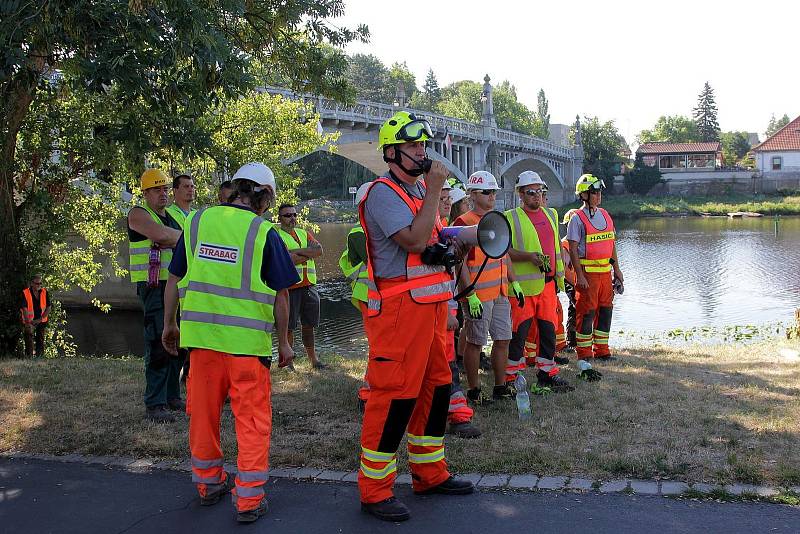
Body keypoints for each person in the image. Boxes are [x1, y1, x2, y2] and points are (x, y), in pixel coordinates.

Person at [162, 162, 297, 525]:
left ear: (235, 188)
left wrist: (169, 324)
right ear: (265, 197)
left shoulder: (196, 223)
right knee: (251, 422)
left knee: (202, 416)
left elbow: (175, 278)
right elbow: (281, 295)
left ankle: (208, 485)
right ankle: (249, 501)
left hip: (201, 346)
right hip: (246, 348)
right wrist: (283, 343)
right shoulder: (264, 232)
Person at [358, 111, 474, 522]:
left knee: (436, 389)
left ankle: (430, 473)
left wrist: (463, 238)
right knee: (394, 398)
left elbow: (433, 240)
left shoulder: (417, 193)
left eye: (424, 145)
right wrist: (436, 188)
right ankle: (374, 489)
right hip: (398, 314)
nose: (421, 153)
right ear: (391, 152)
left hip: (431, 310)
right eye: (412, 146)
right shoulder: (383, 192)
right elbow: (413, 239)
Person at [505, 171, 574, 393]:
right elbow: (503, 251)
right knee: (518, 335)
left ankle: (547, 374)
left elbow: (555, 246)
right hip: (522, 289)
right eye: (531, 192)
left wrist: (559, 275)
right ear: (520, 194)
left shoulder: (551, 215)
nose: (536, 196)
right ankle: (510, 378)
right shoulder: (510, 218)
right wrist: (528, 257)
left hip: (548, 285)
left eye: (540, 192)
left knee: (548, 332)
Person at [127, 168, 184, 422]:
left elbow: (174, 238)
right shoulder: (138, 214)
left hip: (176, 287)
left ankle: (172, 396)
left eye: (164, 189)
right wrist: (175, 238)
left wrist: (174, 239)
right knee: (159, 342)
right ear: (146, 192)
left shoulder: (172, 216)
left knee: (178, 342)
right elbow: (161, 235)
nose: (162, 194)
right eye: (156, 189)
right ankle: (155, 404)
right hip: (153, 288)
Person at [454, 171, 516, 403]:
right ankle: (474, 390)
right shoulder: (463, 223)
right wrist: (469, 295)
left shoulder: (498, 220)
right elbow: (459, 265)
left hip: (500, 292)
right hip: (478, 296)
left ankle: (500, 387)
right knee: (475, 342)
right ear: (472, 194)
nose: (492, 196)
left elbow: (505, 255)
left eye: (494, 192)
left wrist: (514, 282)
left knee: (503, 339)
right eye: (487, 192)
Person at [437, 180, 481, 438]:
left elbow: (455, 268)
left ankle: (457, 415)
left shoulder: (443, 230)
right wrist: (444, 310)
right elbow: (425, 278)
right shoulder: (427, 233)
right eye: (442, 197)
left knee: (447, 365)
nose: (447, 201)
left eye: (448, 197)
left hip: (446, 312)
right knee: (442, 367)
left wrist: (468, 295)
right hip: (434, 314)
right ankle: (455, 416)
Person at [566, 174, 624, 361]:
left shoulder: (605, 215)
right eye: (594, 192)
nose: (598, 195)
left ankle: (602, 351)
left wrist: (617, 270)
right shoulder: (577, 219)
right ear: (584, 195)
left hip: (605, 274)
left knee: (606, 310)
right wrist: (579, 276)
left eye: (599, 192)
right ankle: (584, 354)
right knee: (587, 312)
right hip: (587, 275)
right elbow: (573, 250)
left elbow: (611, 244)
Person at [277, 204, 326, 369]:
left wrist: (296, 252)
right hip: (289, 287)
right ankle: (288, 364)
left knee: (309, 325)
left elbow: (319, 251)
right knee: (288, 328)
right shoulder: (276, 235)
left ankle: (314, 360)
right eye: (287, 215)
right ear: (279, 218)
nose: (292, 218)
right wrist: (307, 254)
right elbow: (287, 260)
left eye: (294, 215)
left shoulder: (303, 233)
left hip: (309, 286)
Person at [338, 182, 372, 410]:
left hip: (381, 296)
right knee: (380, 349)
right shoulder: (359, 233)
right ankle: (367, 394)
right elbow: (378, 260)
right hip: (370, 296)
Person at [20, 275, 51, 357]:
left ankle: (39, 357)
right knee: (28, 335)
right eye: (37, 283)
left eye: (40, 283)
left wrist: (40, 319)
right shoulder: (25, 293)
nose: (39, 285)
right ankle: (29, 356)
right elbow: (24, 308)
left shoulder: (44, 292)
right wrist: (28, 322)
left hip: (41, 319)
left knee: (40, 338)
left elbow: (48, 307)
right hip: (29, 320)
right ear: (32, 283)